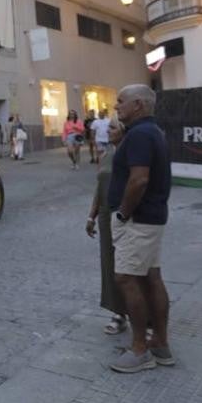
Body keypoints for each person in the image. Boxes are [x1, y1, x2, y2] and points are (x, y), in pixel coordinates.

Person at [108, 84, 174, 373]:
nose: (115, 106)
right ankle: (159, 343)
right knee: (151, 277)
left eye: (120, 102)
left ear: (138, 105)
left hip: (137, 220)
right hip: (151, 217)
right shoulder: (148, 132)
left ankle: (140, 349)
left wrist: (123, 213)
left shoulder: (140, 135)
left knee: (126, 278)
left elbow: (139, 180)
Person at [87, 117, 127, 336]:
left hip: (123, 214)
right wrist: (91, 217)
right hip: (104, 216)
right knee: (109, 265)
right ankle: (118, 313)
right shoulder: (105, 155)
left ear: (123, 131)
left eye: (112, 127)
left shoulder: (130, 154)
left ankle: (142, 315)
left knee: (128, 266)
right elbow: (98, 188)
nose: (107, 131)